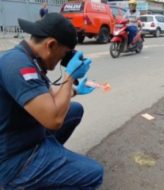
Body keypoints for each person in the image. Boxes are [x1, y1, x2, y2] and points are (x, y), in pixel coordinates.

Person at [0, 13, 103, 189]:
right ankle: (27, 179)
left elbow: (48, 99)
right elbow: (53, 120)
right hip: (13, 160)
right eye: (64, 54)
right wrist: (69, 76)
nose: (62, 61)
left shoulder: (30, 59)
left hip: (26, 136)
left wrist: (75, 91)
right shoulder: (18, 65)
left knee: (74, 109)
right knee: (95, 173)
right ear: (51, 45)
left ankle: (51, 160)